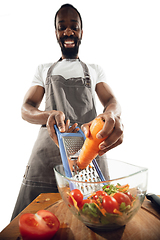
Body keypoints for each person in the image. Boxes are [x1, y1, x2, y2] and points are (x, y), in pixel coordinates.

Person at [11, 4, 123, 220]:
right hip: (46, 154)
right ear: (56, 33)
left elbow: (111, 101)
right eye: (62, 27)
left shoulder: (94, 69)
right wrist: (47, 115)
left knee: (96, 217)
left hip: (89, 151)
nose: (68, 32)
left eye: (74, 27)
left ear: (81, 32)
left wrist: (110, 115)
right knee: (34, 220)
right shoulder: (43, 69)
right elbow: (26, 108)